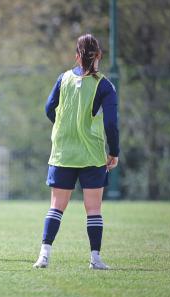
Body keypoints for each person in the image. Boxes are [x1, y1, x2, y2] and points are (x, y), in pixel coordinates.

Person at [32, 34, 119, 270]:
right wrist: (114, 151)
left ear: (76, 56)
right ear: (99, 55)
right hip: (91, 154)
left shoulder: (63, 79)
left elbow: (49, 109)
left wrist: (63, 127)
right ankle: (95, 258)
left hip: (63, 153)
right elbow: (111, 124)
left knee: (56, 206)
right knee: (93, 209)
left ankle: (44, 256)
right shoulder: (105, 86)